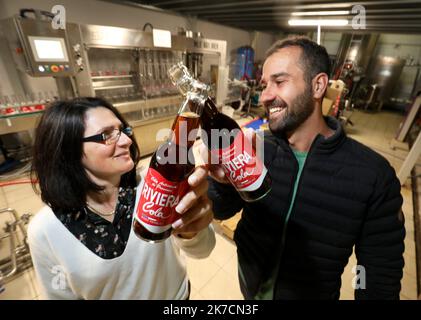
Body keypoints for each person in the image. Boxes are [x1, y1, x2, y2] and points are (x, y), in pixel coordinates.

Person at [204, 36, 405, 300]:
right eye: (265, 85)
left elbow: (378, 276)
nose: (265, 96)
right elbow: (220, 211)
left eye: (279, 82)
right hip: (249, 290)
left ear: (318, 85)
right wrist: (221, 182)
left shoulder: (374, 176)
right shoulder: (257, 147)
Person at [28, 97, 215, 300]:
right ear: (68, 150)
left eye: (122, 130)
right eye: (106, 135)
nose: (127, 140)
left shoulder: (154, 184)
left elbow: (203, 250)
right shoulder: (45, 230)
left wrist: (192, 231)